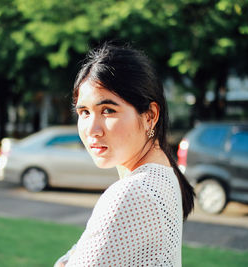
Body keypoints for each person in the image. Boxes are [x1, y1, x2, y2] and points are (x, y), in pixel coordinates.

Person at [54, 43, 195, 267]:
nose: (92, 129)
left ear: (150, 115)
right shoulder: (165, 175)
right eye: (84, 112)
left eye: (108, 110)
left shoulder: (133, 193)